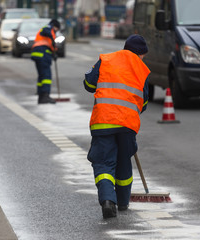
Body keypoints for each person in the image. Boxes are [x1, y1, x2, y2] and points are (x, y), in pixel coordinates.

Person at [83, 34, 151, 219]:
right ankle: (122, 202)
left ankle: (107, 200)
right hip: (127, 123)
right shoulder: (142, 69)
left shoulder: (106, 59)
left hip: (103, 120)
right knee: (123, 160)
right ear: (141, 53)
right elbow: (143, 104)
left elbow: (89, 84)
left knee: (104, 162)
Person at [31, 19, 60, 104]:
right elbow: (46, 32)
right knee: (46, 76)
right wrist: (52, 38)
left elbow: (50, 43)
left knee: (41, 76)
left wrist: (54, 53)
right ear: (55, 26)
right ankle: (45, 96)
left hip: (38, 54)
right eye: (57, 29)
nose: (56, 31)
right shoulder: (48, 28)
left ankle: (41, 96)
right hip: (42, 54)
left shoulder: (49, 30)